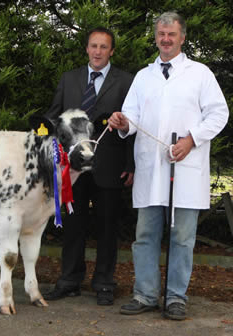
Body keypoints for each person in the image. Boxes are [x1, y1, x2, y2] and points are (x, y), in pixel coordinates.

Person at [108, 12, 229, 320]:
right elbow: (130, 116)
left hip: (185, 171)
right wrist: (123, 122)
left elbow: (218, 114)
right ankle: (146, 294)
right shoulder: (143, 76)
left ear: (182, 37)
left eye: (171, 34)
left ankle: (176, 297)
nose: (165, 39)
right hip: (151, 171)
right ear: (156, 36)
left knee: (182, 238)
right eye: (161, 34)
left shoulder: (200, 74)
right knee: (146, 235)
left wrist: (192, 140)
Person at [43, 27, 134, 306]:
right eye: (93, 46)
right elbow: (54, 116)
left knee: (107, 227)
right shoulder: (69, 79)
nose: (98, 51)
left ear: (112, 51)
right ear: (86, 48)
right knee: (73, 225)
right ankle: (70, 280)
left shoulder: (126, 81)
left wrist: (131, 163)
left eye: (104, 47)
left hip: (109, 164)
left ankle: (104, 282)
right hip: (73, 167)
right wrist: (52, 154)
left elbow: (134, 124)